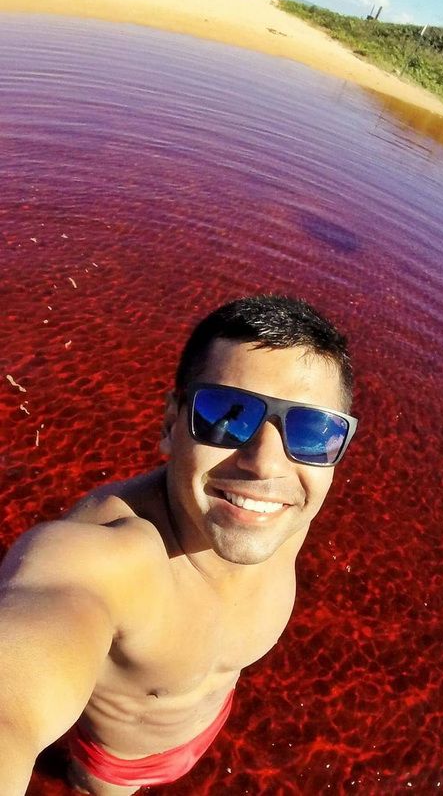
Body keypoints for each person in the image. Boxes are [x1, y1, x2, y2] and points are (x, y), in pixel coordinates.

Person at [0, 294, 358, 795]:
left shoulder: (286, 509)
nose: (266, 466)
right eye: (227, 416)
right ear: (171, 423)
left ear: (336, 450)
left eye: (312, 429)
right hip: (116, 765)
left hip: (205, 725)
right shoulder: (107, 558)